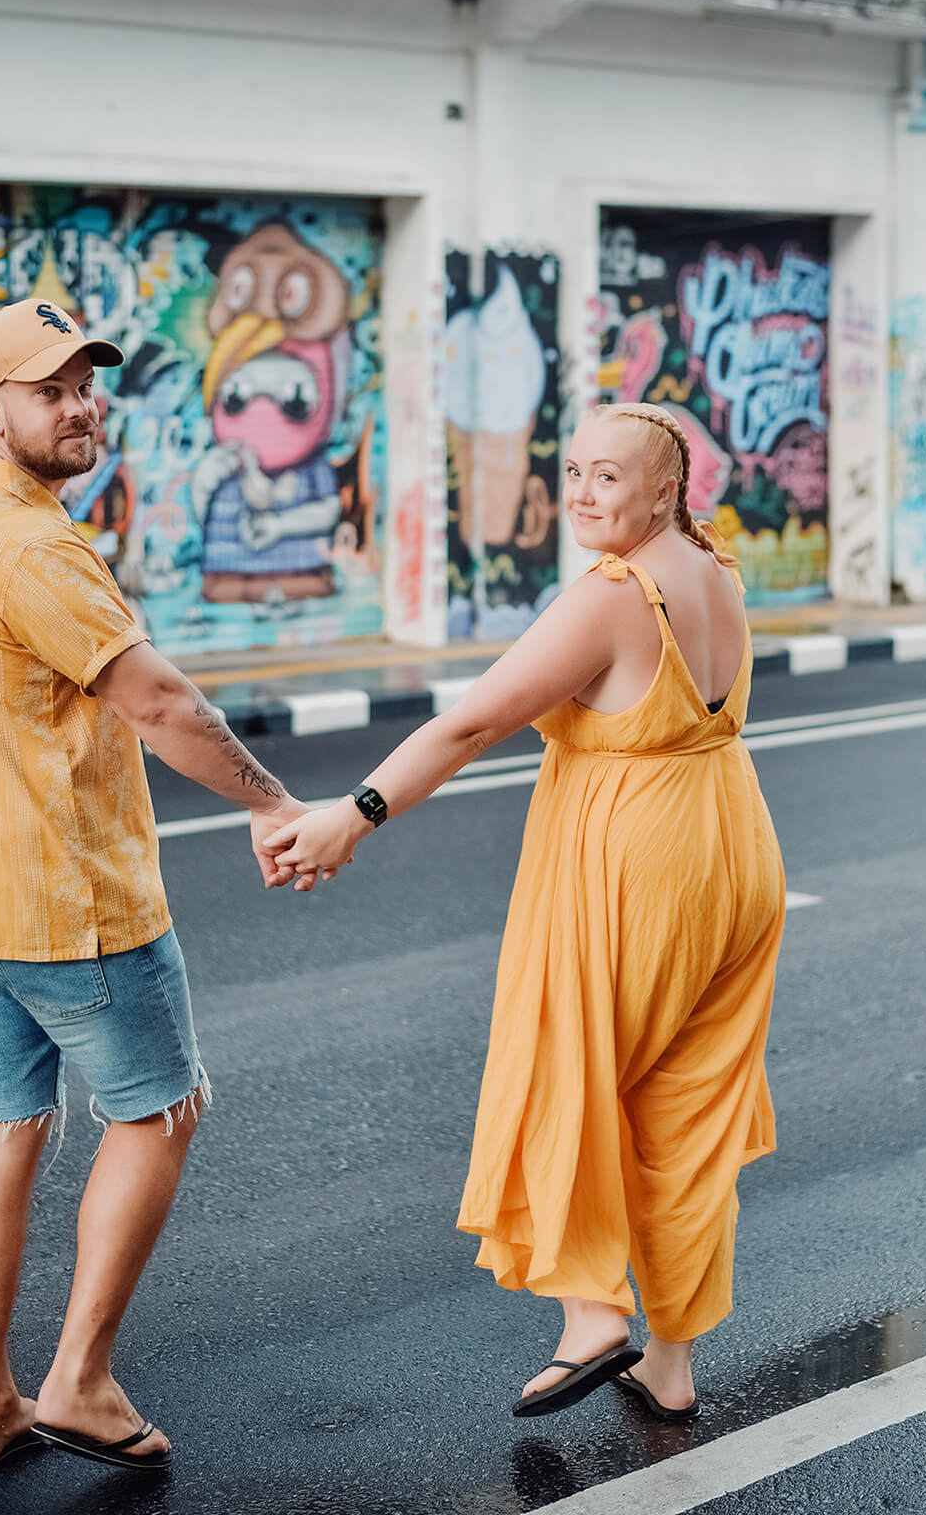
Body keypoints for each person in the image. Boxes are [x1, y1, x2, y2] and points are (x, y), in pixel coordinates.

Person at [265, 401, 786, 1422]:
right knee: (682, 1113)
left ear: (663, 489)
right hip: (732, 845)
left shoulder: (612, 593)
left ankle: (590, 1312)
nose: (583, 494)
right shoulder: (712, 567)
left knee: (563, 1068)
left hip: (634, 859)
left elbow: (470, 721)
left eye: (608, 477)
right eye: (576, 470)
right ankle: (668, 1366)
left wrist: (353, 813)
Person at [0, 298, 308, 1478]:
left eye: (86, 381)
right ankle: (76, 1379)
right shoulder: (36, 544)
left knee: (3, 1128)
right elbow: (165, 703)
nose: (80, 405)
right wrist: (275, 804)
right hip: (68, 901)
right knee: (158, 1110)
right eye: (48, 388)